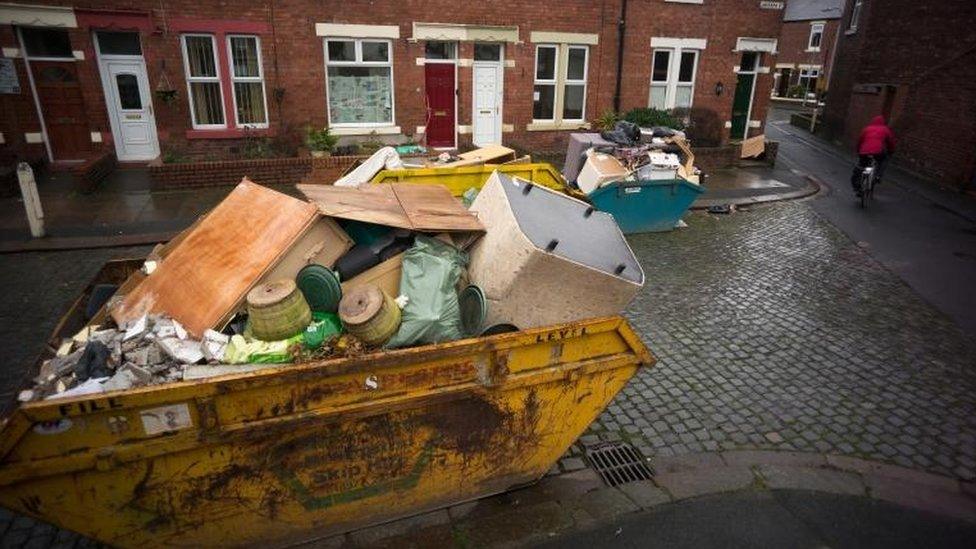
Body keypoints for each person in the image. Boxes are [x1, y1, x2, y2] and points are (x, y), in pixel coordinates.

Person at [851, 115, 896, 196]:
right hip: (878, 152)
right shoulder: (885, 129)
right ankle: (878, 176)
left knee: (861, 167)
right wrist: (891, 150)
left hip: (864, 152)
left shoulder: (867, 129)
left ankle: (858, 187)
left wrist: (858, 151)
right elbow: (890, 142)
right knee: (884, 160)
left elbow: (860, 141)